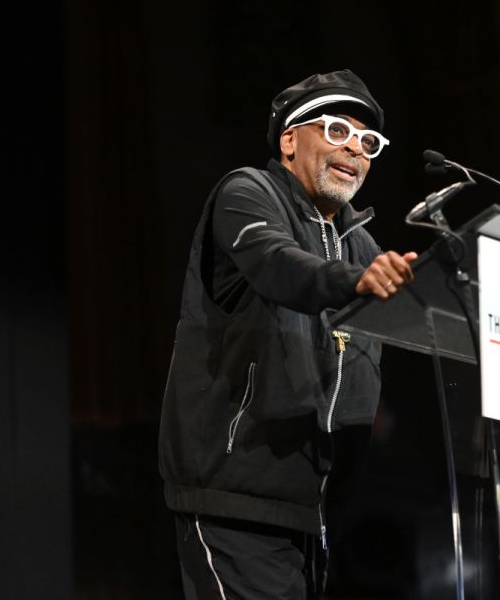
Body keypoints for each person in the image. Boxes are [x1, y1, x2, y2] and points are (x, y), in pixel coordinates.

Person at [158, 69, 417, 599]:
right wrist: (353, 282)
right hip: (237, 499)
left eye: (368, 142)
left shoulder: (362, 244)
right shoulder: (247, 193)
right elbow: (278, 264)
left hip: (316, 514)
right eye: (337, 131)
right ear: (289, 139)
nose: (355, 151)